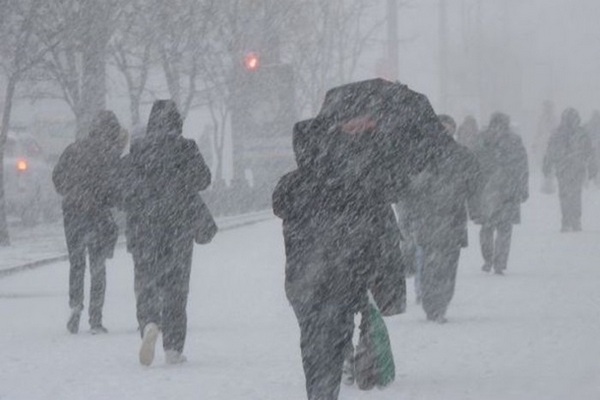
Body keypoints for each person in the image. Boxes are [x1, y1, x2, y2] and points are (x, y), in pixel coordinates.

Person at [122, 100, 211, 366]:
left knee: (146, 282)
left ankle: (149, 323)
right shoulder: (186, 148)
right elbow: (204, 179)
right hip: (178, 228)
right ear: (177, 122)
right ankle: (173, 347)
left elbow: (123, 187)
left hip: (143, 228)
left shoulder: (138, 150)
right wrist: (179, 182)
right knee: (176, 286)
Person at [402, 114, 481, 322]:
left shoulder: (461, 155)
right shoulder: (422, 153)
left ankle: (440, 303)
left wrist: (476, 210)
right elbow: (408, 186)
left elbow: (473, 186)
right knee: (431, 262)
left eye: (448, 128)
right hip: (430, 216)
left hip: (451, 216)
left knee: (447, 263)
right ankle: (432, 305)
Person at [52, 110, 123, 334]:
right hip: (97, 214)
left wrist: (71, 193)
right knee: (97, 266)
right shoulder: (109, 154)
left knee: (76, 263)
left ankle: (75, 306)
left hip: (72, 212)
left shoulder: (73, 149)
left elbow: (57, 177)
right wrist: (107, 201)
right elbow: (115, 187)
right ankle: (95, 318)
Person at [474, 112, 529, 275]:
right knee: (503, 228)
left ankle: (489, 260)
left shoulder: (482, 138)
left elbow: (473, 163)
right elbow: (522, 166)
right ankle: (498, 262)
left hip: (487, 189)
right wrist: (522, 188)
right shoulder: (514, 141)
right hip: (507, 189)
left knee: (487, 227)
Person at [543, 108, 597, 232]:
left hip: (573, 169)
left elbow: (589, 151)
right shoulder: (574, 133)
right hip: (566, 169)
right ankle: (568, 220)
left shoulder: (572, 133)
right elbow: (550, 151)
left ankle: (573, 220)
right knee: (567, 195)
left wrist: (592, 167)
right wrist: (547, 165)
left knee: (573, 195)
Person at [583, 110, 600, 187]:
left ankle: (593, 181)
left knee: (592, 164)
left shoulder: (588, 125)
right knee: (591, 164)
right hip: (590, 149)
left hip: (593, 149)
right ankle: (592, 181)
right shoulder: (588, 125)